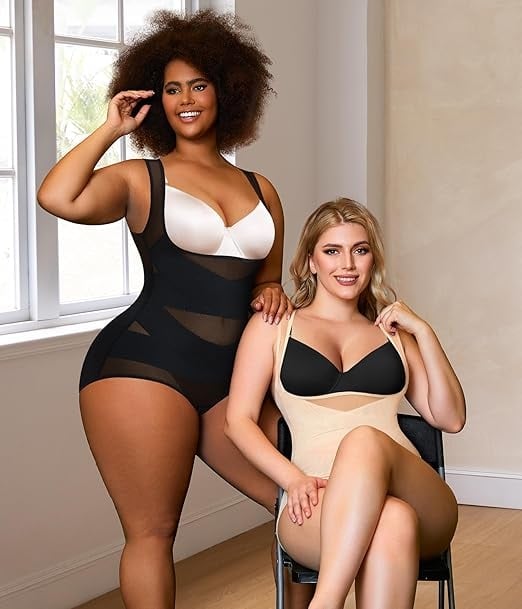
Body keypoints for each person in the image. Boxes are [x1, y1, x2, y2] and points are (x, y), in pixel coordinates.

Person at [37, 10, 306, 609]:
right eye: (171, 88)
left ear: (227, 91)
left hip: (231, 381)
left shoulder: (262, 189)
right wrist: (111, 128)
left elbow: (266, 280)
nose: (185, 100)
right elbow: (57, 196)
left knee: (304, 504)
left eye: (198, 85)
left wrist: (273, 292)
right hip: (142, 366)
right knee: (154, 533)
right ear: (154, 100)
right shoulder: (140, 178)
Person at [225, 198, 466, 609]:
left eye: (360, 250)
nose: (348, 264)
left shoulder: (393, 333)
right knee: (392, 520)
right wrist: (292, 480)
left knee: (365, 440)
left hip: (420, 500)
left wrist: (424, 332)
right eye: (332, 251)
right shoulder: (272, 328)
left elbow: (451, 417)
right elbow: (238, 420)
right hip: (315, 500)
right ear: (311, 261)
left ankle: (325, 602)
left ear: (373, 259)